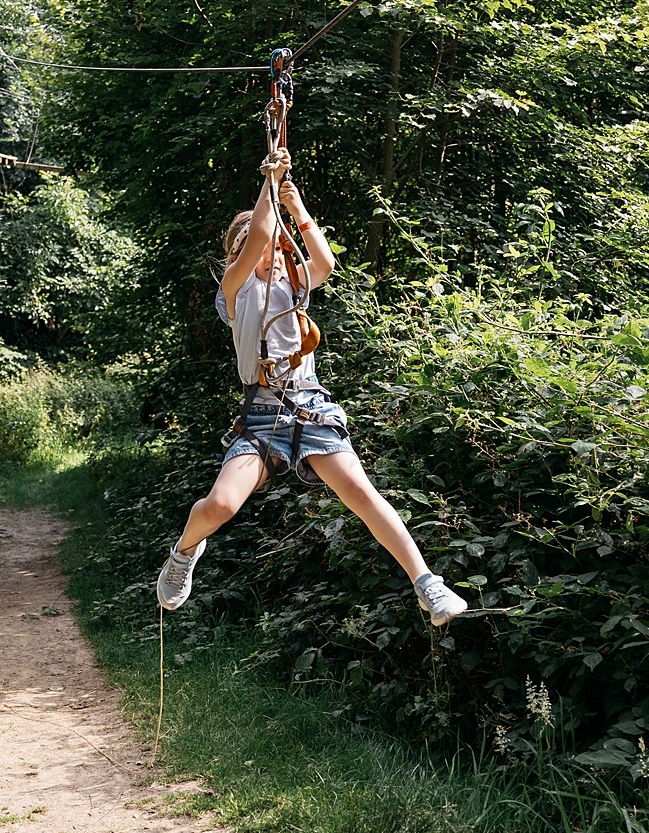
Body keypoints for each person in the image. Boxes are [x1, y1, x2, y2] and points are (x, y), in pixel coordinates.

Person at [153, 148, 469, 626]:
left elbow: (323, 262)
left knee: (362, 494)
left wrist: (296, 209)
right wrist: (271, 181)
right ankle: (183, 553)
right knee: (219, 504)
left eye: (277, 251)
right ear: (238, 257)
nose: (271, 256)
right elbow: (260, 230)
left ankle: (427, 584)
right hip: (258, 415)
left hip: (308, 406)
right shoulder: (234, 292)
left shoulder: (293, 286)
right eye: (260, 250)